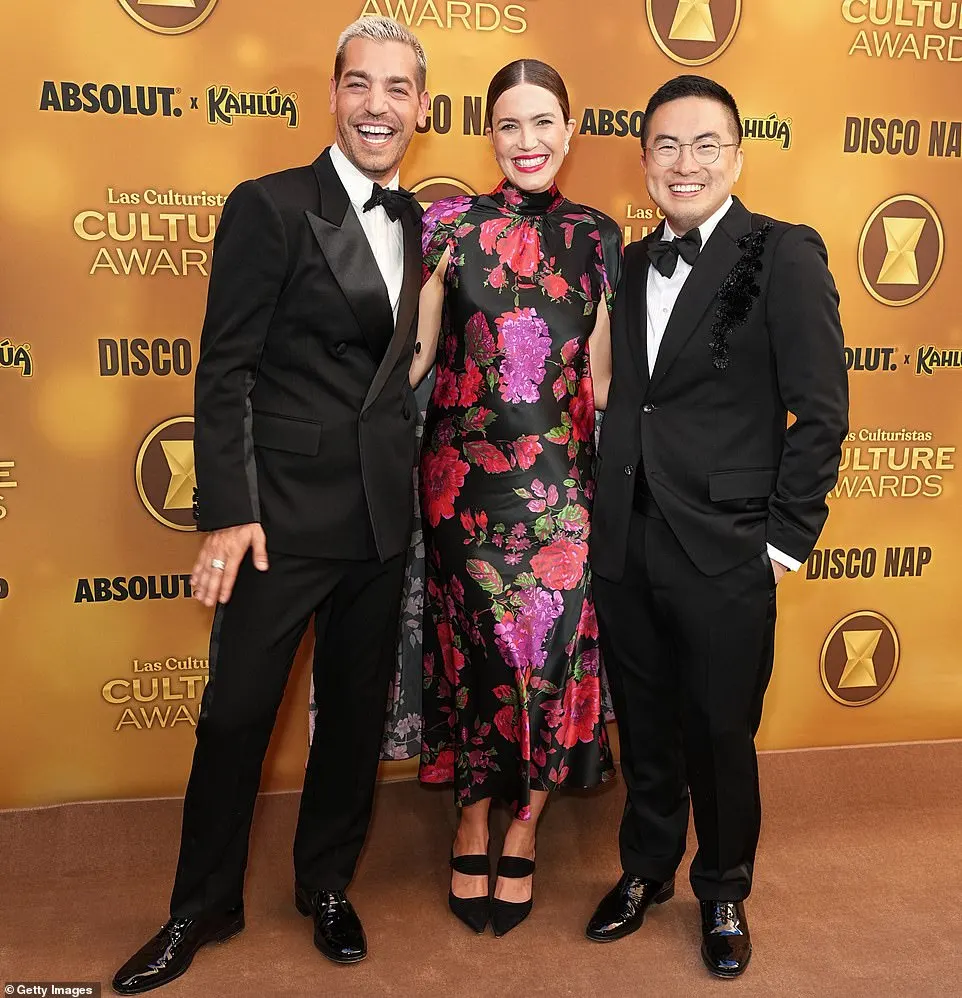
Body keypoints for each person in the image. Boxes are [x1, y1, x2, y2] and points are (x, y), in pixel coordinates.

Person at [111, 17, 428, 993]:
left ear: (420, 108)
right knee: (237, 715)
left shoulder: (418, 222)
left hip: (380, 516)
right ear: (332, 94)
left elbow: (396, 370)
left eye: (398, 89)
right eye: (361, 85)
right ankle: (200, 905)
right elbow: (224, 370)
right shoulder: (271, 205)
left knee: (351, 722)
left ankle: (325, 883)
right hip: (276, 519)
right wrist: (227, 507)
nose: (378, 105)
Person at [584, 75, 847, 978]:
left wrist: (780, 542)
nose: (684, 162)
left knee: (720, 730)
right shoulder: (625, 262)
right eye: (666, 145)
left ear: (737, 155)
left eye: (704, 145)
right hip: (626, 538)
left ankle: (724, 887)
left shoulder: (781, 253)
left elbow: (821, 414)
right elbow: (631, 399)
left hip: (727, 544)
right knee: (646, 726)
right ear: (645, 158)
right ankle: (646, 869)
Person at [411, 59, 622, 938]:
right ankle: (470, 813)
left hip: (565, 493)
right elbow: (418, 359)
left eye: (544, 123)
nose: (527, 141)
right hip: (462, 489)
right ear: (488, 134)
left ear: (569, 131)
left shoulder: (600, 236)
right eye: (509, 125)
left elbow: (602, 384)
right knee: (475, 661)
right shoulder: (446, 225)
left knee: (550, 662)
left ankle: (526, 824)